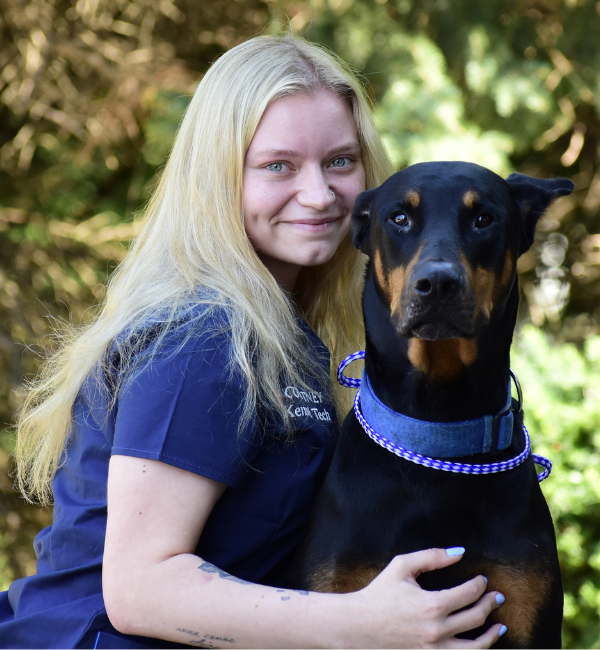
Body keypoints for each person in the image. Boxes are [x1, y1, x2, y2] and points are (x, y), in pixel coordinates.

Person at [0, 34, 507, 649]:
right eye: (278, 166)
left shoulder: (280, 330)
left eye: (340, 162)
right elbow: (140, 590)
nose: (319, 195)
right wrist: (361, 626)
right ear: (219, 175)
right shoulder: (204, 334)